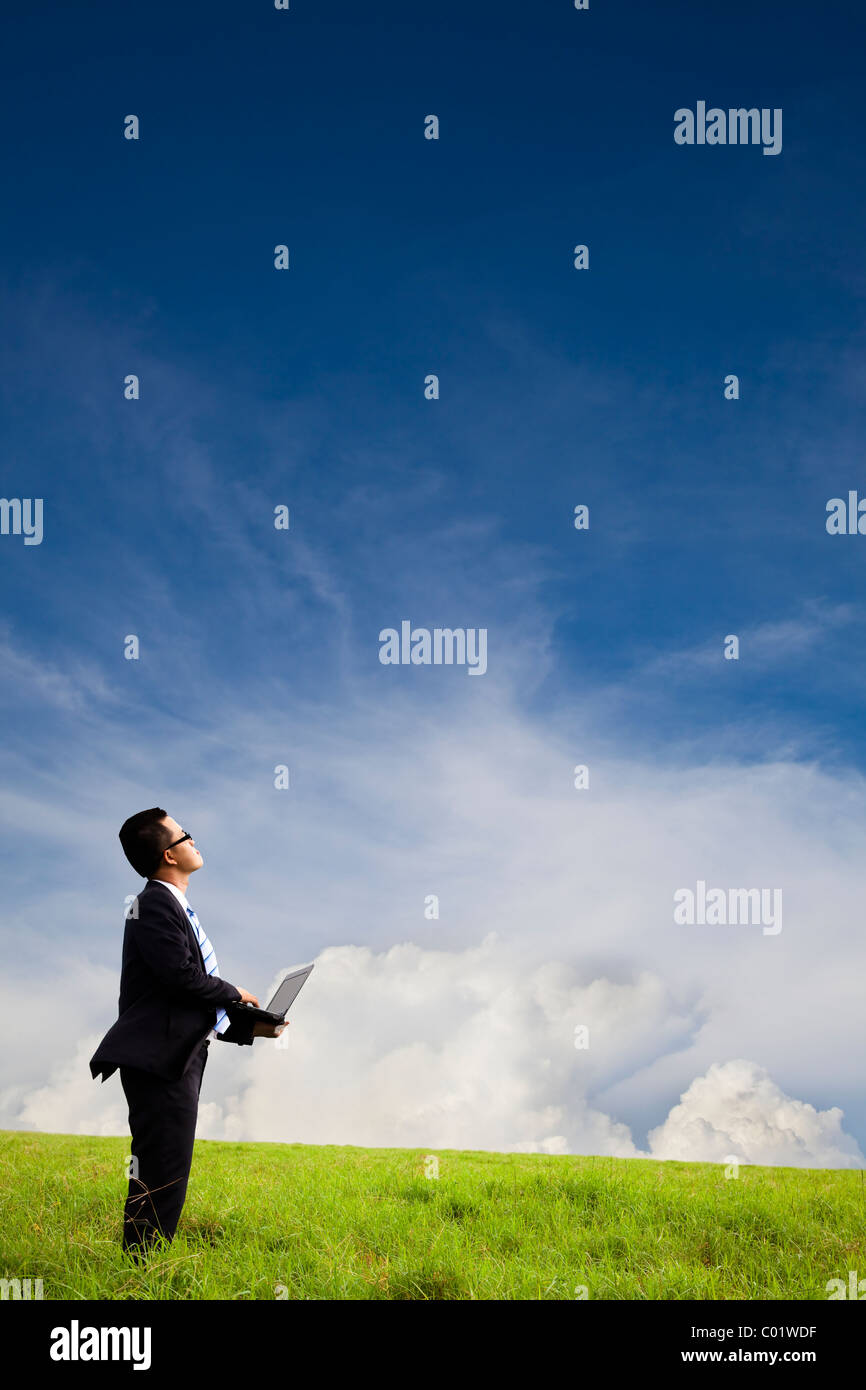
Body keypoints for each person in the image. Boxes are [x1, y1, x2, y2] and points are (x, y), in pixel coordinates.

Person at [89, 808, 285, 1257]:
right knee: (163, 1165)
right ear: (168, 854)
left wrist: (249, 1027)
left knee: (166, 1162)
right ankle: (141, 1266)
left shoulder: (172, 904)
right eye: (185, 835)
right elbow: (179, 976)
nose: (194, 841)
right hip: (158, 1059)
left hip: (175, 1053)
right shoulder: (155, 902)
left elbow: (180, 996)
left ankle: (142, 1262)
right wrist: (236, 990)